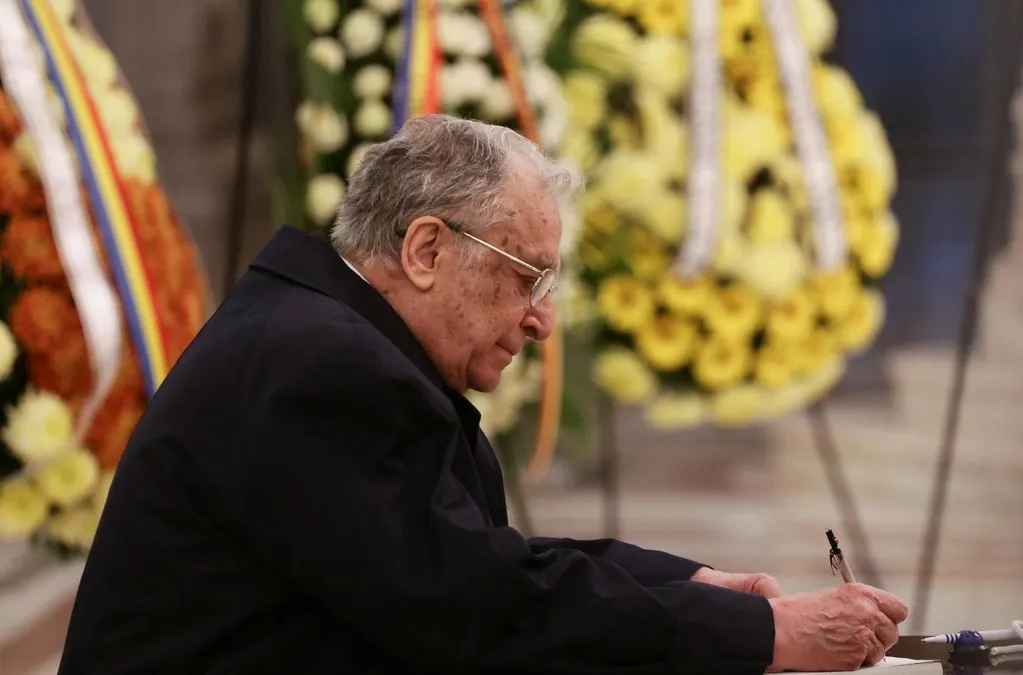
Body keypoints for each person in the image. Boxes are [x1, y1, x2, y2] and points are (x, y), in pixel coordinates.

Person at [58, 114, 907, 674]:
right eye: (528, 277)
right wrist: (765, 636)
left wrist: (689, 585)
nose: (541, 320)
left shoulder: (321, 331)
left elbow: (470, 561)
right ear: (427, 248)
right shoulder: (321, 365)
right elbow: (474, 610)